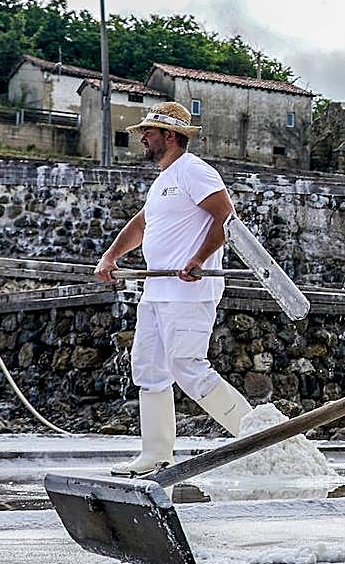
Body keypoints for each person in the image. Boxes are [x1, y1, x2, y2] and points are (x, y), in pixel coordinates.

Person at [95, 101, 252, 477]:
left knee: (188, 366)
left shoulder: (194, 171)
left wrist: (199, 258)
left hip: (189, 291)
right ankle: (155, 454)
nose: (143, 138)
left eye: (148, 132)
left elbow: (225, 217)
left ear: (170, 135)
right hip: (157, 291)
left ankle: (259, 439)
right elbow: (141, 224)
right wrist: (111, 256)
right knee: (148, 369)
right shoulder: (163, 180)